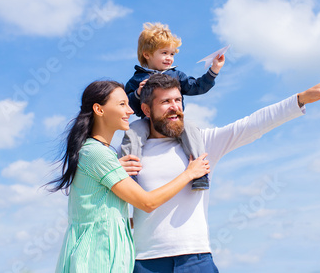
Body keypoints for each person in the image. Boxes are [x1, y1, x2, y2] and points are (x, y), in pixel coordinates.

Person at [120, 73, 320, 272]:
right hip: (146, 261)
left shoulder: (201, 144)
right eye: (166, 101)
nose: (175, 107)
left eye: (178, 100)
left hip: (195, 258)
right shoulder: (131, 153)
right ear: (146, 109)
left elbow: (251, 125)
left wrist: (301, 99)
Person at [47, 80, 210, 273]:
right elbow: (147, 203)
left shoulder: (102, 154)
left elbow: (107, 215)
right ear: (99, 109)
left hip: (105, 257)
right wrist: (189, 173)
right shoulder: (97, 154)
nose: (131, 111)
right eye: (122, 104)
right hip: (96, 259)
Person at [124, 22, 225, 190]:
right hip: (148, 122)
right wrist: (137, 95)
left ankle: (200, 174)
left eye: (172, 53)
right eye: (164, 53)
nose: (169, 57)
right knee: (133, 131)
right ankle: (130, 175)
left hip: (174, 121)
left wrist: (213, 70)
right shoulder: (136, 80)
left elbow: (196, 87)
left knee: (191, 128)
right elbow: (127, 106)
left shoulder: (176, 75)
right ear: (147, 54)